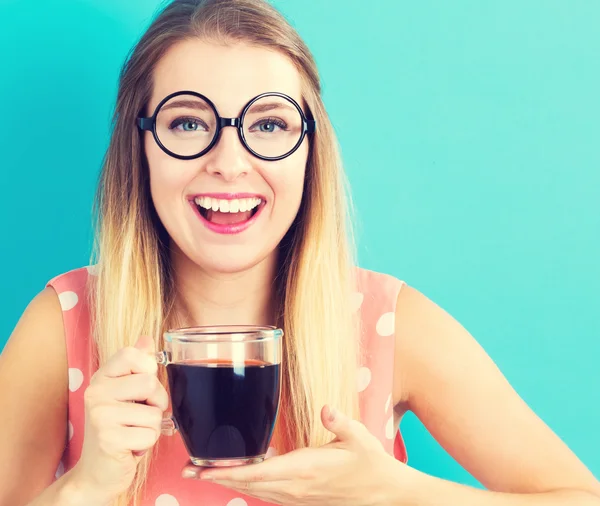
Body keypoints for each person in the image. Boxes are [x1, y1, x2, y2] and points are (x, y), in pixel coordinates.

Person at [1, 0, 599, 505]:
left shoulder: (389, 323)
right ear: (143, 149)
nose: (229, 163)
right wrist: (84, 488)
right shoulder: (64, 325)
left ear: (310, 151)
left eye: (267, 125)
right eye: (187, 124)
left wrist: (397, 492)